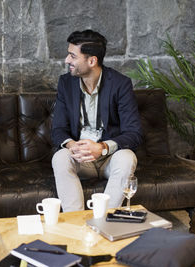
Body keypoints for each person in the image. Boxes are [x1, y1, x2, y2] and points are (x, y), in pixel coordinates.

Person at [51, 30, 143, 212]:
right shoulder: (65, 83)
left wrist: (101, 148)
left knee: (127, 158)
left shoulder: (120, 84)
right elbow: (58, 129)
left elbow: (134, 133)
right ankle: (75, 220)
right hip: (81, 157)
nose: (67, 60)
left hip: (110, 157)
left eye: (72, 56)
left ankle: (103, 219)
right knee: (60, 157)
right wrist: (72, 146)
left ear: (91, 61)